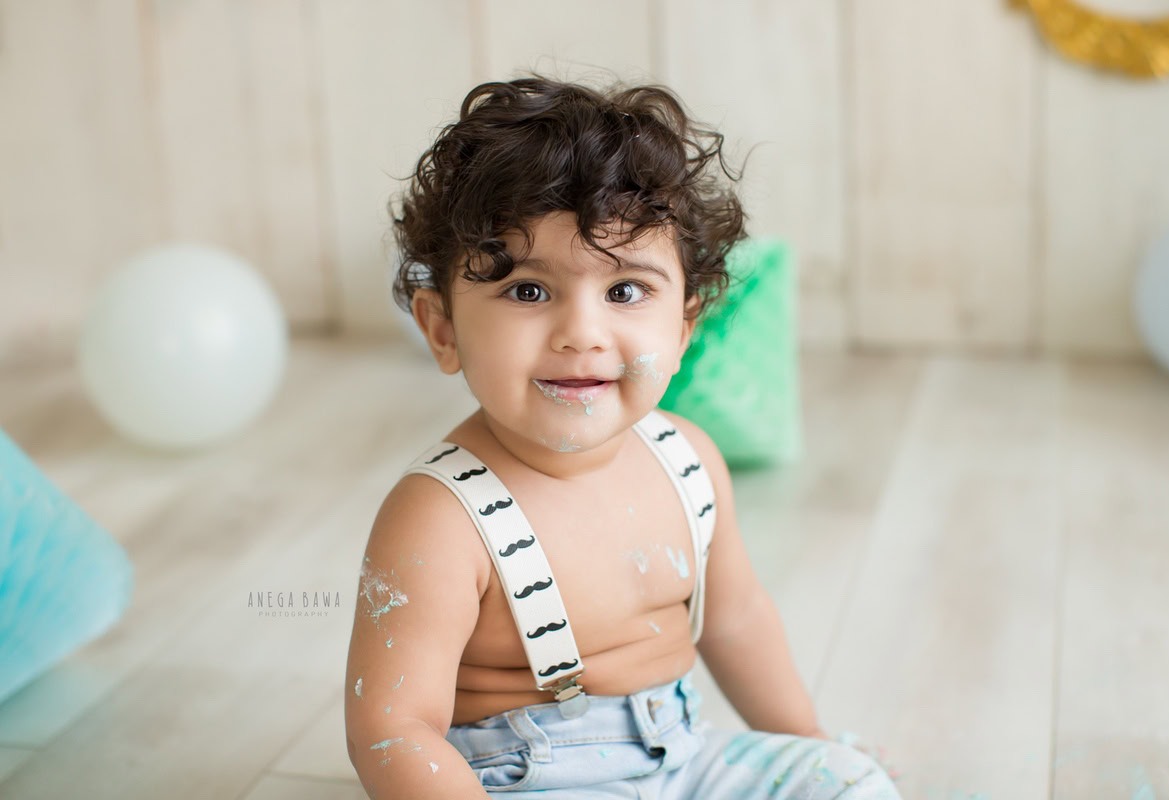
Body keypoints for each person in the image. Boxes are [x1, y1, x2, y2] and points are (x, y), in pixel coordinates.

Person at [344, 74, 903, 799]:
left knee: (848, 780)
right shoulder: (440, 519)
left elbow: (733, 620)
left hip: (686, 755)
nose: (582, 333)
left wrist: (806, 746)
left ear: (683, 328)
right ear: (442, 330)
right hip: (530, 778)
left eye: (625, 290)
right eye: (527, 290)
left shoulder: (688, 461)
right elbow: (393, 730)